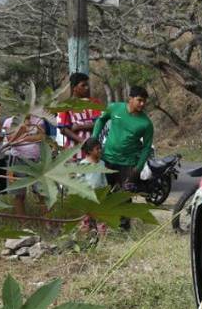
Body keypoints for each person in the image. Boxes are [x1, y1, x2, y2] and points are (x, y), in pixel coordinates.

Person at [92, 86, 153, 230]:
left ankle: (123, 228)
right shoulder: (114, 108)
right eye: (139, 100)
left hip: (128, 164)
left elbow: (147, 147)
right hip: (107, 159)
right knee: (103, 193)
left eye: (144, 101)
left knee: (124, 197)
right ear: (130, 98)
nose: (142, 104)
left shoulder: (146, 123)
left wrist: (138, 168)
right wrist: (94, 139)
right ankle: (102, 226)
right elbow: (101, 120)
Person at [2, 113, 47, 217]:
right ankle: (22, 220)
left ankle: (46, 219)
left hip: (36, 160)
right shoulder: (9, 121)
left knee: (42, 191)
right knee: (18, 193)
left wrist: (25, 138)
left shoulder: (38, 120)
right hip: (17, 159)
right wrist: (22, 129)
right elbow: (11, 141)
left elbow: (41, 137)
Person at [57, 72, 103, 156]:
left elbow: (99, 123)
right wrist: (83, 142)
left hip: (94, 150)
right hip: (73, 151)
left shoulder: (95, 102)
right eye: (83, 85)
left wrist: (80, 126)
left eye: (87, 85)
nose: (87, 88)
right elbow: (63, 129)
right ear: (74, 88)